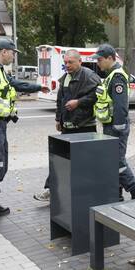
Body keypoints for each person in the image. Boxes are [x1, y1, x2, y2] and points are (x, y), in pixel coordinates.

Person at [0, 38, 49, 228]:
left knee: (1, 166)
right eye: (13, 53)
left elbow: (14, 84)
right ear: (4, 51)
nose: (14, 56)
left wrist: (38, 87)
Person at [33, 49, 101, 201]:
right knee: (59, 160)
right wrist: (58, 119)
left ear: (79, 61)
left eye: (70, 62)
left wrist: (79, 102)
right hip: (67, 127)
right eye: (65, 62)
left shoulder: (89, 76)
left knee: (85, 162)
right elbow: (60, 101)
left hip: (85, 126)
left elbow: (97, 95)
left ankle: (87, 192)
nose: (67, 65)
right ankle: (51, 190)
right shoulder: (65, 78)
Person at [92, 44, 135, 201]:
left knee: (117, 162)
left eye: (100, 60)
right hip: (111, 125)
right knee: (112, 162)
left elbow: (120, 105)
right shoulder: (111, 75)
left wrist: (118, 127)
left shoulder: (117, 76)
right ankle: (117, 194)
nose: (97, 63)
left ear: (110, 58)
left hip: (116, 126)